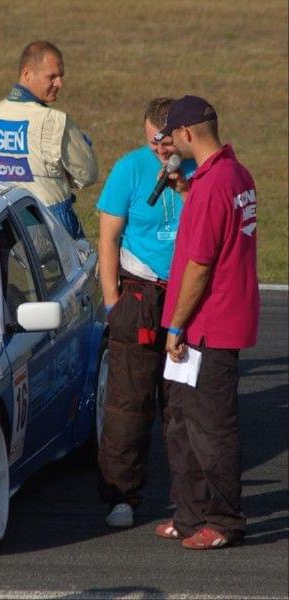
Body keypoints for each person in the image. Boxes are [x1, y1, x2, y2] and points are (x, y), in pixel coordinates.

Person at [154, 95, 260, 549]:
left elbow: (199, 264)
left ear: (188, 135)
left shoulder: (214, 185)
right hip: (211, 322)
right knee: (180, 421)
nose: (168, 142)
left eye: (171, 135)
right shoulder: (232, 174)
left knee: (211, 427)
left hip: (205, 326)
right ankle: (191, 512)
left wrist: (175, 326)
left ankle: (223, 521)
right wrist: (184, 189)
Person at [96, 97, 196, 528]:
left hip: (185, 295)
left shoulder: (196, 170)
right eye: (152, 141)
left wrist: (185, 187)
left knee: (184, 405)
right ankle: (122, 496)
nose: (160, 149)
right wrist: (112, 301)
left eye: (166, 141)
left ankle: (190, 499)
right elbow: (108, 238)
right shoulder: (128, 170)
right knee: (127, 405)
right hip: (137, 295)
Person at [0, 40, 98, 239]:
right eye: (52, 77)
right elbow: (87, 175)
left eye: (60, 76)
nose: (59, 83)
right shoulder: (56, 121)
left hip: (5, 219)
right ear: (27, 74)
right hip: (52, 220)